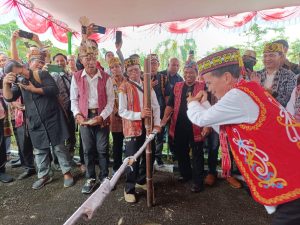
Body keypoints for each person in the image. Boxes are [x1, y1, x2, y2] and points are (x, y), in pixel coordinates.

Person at [187, 47, 300, 225]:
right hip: (291, 169)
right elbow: (222, 126)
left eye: (209, 83)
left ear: (226, 77)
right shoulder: (248, 88)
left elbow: (200, 119)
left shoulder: (237, 96)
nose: (208, 88)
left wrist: (192, 103)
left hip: (292, 178)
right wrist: (205, 103)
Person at [3, 60, 74, 190]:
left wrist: (33, 89)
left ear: (22, 67)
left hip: (52, 118)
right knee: (40, 150)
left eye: (18, 73)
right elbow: (9, 98)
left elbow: (54, 89)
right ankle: (44, 176)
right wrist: (6, 83)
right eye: (14, 76)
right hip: (34, 120)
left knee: (59, 147)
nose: (19, 77)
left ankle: (67, 173)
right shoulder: (18, 83)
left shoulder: (40, 74)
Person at [70, 39, 114, 194]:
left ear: (97, 59)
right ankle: (90, 178)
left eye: (93, 58)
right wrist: (77, 115)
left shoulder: (106, 77)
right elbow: (73, 99)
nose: (90, 61)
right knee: (88, 150)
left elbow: (111, 101)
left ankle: (104, 177)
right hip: (84, 116)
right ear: (81, 60)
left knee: (102, 149)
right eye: (86, 59)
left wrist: (102, 117)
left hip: (101, 117)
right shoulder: (76, 77)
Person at [161, 61, 208, 192]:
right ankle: (186, 175)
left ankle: (198, 182)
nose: (188, 75)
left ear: (196, 73)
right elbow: (170, 105)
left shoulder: (203, 86)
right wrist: (164, 119)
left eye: (191, 72)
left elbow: (208, 107)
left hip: (196, 126)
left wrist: (207, 126)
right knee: (181, 152)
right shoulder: (177, 86)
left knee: (197, 154)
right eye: (186, 72)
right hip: (179, 124)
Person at [119, 57, 161, 203]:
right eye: (130, 70)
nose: (133, 72)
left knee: (151, 154)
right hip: (132, 127)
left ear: (140, 70)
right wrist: (139, 115)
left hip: (148, 126)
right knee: (132, 159)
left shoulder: (147, 84)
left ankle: (141, 180)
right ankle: (129, 188)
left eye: (136, 69)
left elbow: (155, 106)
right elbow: (122, 111)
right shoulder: (123, 87)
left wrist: (157, 124)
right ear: (126, 72)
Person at [50, 53, 77, 166]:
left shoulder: (70, 74)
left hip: (71, 109)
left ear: (66, 62)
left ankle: (69, 159)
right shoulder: (52, 75)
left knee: (71, 136)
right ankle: (57, 162)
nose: (60, 63)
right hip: (59, 111)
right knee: (59, 137)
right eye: (57, 61)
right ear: (53, 63)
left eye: (62, 60)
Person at [148, 54, 171, 166]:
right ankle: (148, 159)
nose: (153, 66)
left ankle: (158, 157)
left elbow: (167, 96)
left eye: (155, 63)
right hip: (147, 111)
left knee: (159, 135)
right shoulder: (142, 77)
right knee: (148, 135)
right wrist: (148, 86)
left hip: (160, 110)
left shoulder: (163, 78)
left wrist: (167, 111)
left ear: (158, 65)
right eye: (150, 63)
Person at [257, 42, 296, 107]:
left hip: (279, 115)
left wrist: (272, 94)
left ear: (281, 57)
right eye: (265, 56)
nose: (267, 59)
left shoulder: (289, 76)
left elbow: (288, 103)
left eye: (271, 55)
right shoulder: (257, 74)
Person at [108, 57, 125, 174]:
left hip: (129, 117)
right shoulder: (108, 82)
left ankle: (130, 167)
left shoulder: (127, 81)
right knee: (117, 144)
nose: (115, 69)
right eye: (112, 67)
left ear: (121, 67)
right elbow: (107, 99)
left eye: (117, 66)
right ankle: (116, 168)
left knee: (131, 144)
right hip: (115, 117)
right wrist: (116, 111)